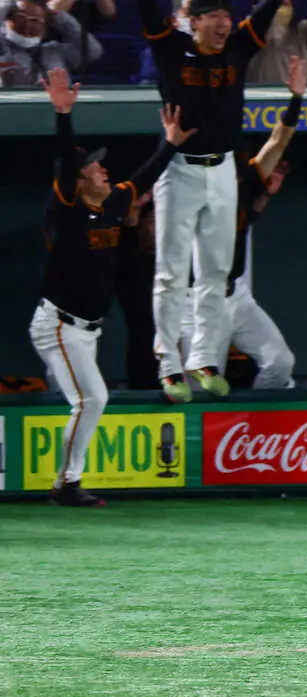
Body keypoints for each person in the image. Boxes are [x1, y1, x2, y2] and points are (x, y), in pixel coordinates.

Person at [30, 69, 193, 507]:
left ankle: (67, 481)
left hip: (86, 329)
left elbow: (143, 176)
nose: (102, 169)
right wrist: (63, 115)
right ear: (77, 180)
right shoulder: (65, 207)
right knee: (92, 398)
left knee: (85, 399)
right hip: (59, 325)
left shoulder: (113, 202)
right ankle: (66, 485)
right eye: (93, 167)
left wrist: (172, 143)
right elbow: (66, 158)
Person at [138, 0, 283, 403]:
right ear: (195, 21)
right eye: (214, 17)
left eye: (226, 16)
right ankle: (169, 365)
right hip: (179, 167)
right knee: (170, 273)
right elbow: (148, 14)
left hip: (222, 170)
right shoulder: (171, 47)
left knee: (216, 271)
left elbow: (264, 15)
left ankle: (202, 359)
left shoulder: (237, 47)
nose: (224, 24)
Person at [180, 54, 307, 389]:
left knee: (280, 365)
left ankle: (255, 433)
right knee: (200, 386)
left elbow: (279, 140)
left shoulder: (245, 179)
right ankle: (202, 441)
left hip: (236, 295)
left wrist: (296, 99)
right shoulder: (194, 183)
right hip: (200, 301)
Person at [114, 191, 160, 389]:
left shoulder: (168, 257)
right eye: (150, 221)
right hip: (144, 357)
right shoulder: (127, 256)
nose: (155, 228)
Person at [0, 0, 102, 86]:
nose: (27, 26)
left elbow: (92, 51)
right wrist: (6, 4)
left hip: (57, 107)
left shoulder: (55, 51)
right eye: (20, 18)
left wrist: (61, 18)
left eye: (35, 21)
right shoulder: (3, 48)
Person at [247, 0, 307, 83]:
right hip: (261, 99)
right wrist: (274, 16)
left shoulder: (302, 32)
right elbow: (273, 36)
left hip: (301, 99)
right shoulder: (251, 29)